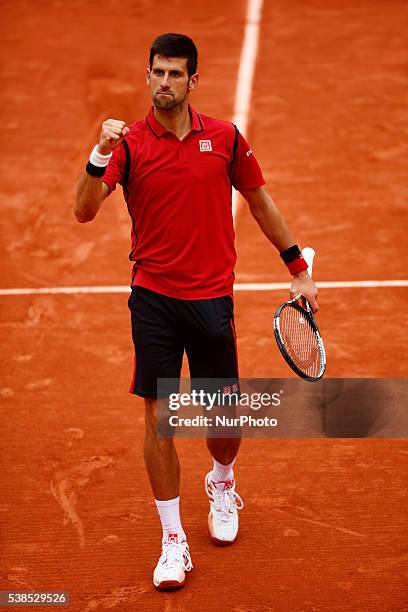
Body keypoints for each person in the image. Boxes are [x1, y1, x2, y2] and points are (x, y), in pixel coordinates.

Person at [74, 32, 318, 590]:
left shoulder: (227, 139)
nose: (164, 83)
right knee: (158, 416)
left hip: (211, 300)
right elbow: (84, 212)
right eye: (156, 73)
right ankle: (173, 540)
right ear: (148, 77)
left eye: (174, 74)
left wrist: (296, 267)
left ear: (192, 81)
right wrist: (98, 154)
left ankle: (223, 481)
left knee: (223, 418)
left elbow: (259, 201)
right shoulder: (130, 144)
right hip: (154, 299)